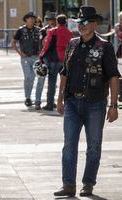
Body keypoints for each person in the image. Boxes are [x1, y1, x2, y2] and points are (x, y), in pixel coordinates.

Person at [54, 6, 120, 197]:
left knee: (93, 146)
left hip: (96, 104)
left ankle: (88, 183)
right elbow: (64, 73)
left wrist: (113, 106)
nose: (81, 26)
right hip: (73, 102)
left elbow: (114, 77)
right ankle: (68, 185)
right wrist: (60, 99)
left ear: (94, 24)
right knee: (69, 145)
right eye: (78, 23)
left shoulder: (104, 47)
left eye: (84, 23)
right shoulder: (72, 44)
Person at [11, 11, 44, 110]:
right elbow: (13, 42)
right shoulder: (21, 30)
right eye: (30, 18)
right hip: (25, 58)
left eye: (34, 19)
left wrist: (42, 54)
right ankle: (28, 97)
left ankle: (37, 100)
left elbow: (44, 42)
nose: (32, 20)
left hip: (36, 57)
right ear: (26, 20)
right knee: (29, 77)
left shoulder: (39, 30)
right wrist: (19, 53)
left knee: (39, 78)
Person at [39, 14, 72, 111]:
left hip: (54, 59)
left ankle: (50, 104)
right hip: (65, 59)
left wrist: (41, 56)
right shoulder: (69, 33)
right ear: (65, 22)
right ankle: (66, 102)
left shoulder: (53, 31)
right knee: (66, 82)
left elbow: (47, 45)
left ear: (57, 22)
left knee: (52, 82)